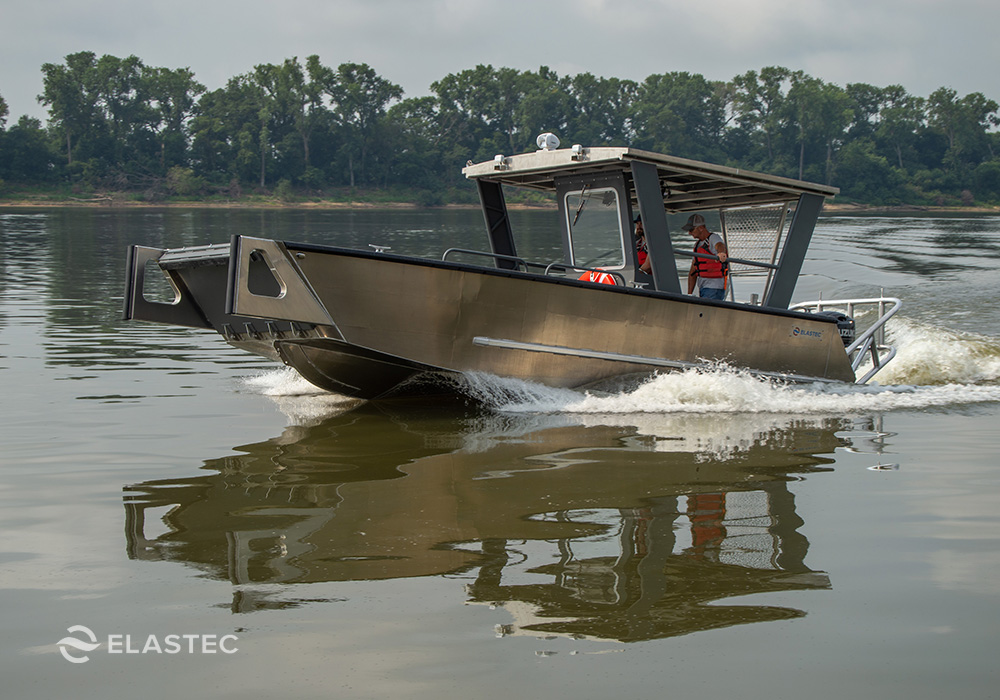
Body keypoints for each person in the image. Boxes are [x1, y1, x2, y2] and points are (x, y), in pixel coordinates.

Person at [683, 214, 729, 300]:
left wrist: (721, 253)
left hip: (714, 287)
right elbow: (692, 272)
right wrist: (689, 294)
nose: (689, 233)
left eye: (691, 229)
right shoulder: (697, 245)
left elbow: (719, 245)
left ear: (701, 228)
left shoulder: (713, 238)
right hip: (703, 287)